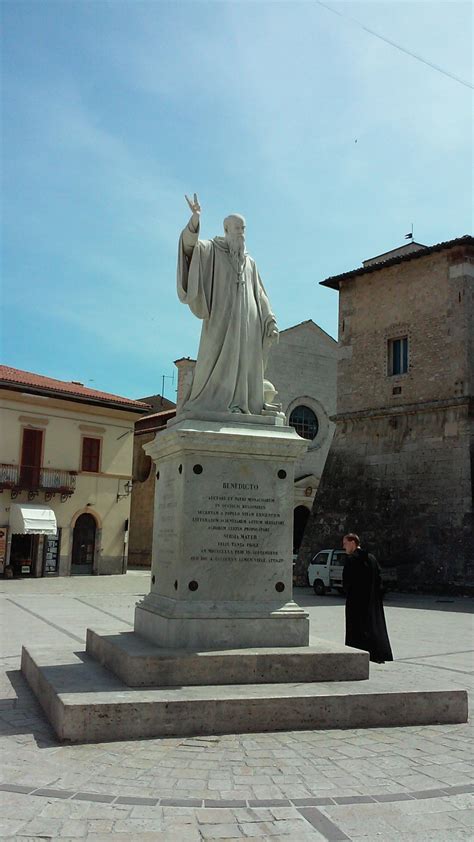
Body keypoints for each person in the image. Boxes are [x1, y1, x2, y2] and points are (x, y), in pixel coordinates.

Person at [177, 193, 279, 415]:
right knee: (211, 360)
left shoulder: (249, 261)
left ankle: (245, 404)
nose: (242, 233)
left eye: (244, 229)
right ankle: (210, 401)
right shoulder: (211, 250)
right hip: (220, 320)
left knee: (246, 364)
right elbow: (189, 249)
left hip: (248, 324)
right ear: (226, 230)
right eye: (238, 229)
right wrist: (194, 221)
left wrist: (269, 318)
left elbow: (259, 292)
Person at [342, 533, 393, 664]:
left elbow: (347, 582)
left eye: (345, 543)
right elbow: (380, 580)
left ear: (353, 542)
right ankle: (377, 654)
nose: (344, 547)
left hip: (356, 602)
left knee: (356, 629)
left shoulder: (352, 560)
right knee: (372, 626)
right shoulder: (371, 558)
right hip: (372, 601)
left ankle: (357, 654)